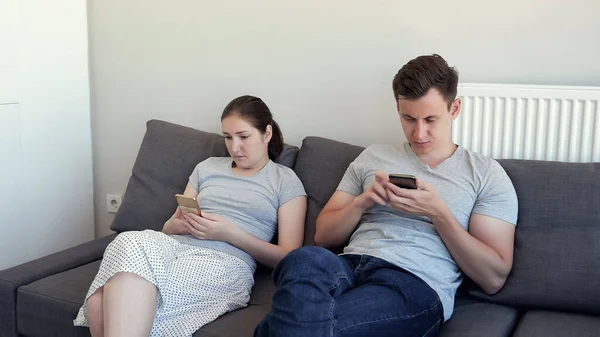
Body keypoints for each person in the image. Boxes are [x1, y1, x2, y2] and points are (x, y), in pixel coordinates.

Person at [254, 54, 518, 337]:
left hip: (413, 284)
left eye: (431, 119)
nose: (419, 133)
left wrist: (438, 213)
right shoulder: (372, 157)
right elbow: (323, 237)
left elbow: (494, 277)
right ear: (397, 108)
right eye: (408, 118)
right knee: (304, 259)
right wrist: (363, 202)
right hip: (349, 266)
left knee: (285, 327)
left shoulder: (485, 174)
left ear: (454, 109)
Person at [74, 95, 307, 337]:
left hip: (224, 263)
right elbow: (171, 225)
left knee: (100, 302)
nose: (234, 147)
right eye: (228, 137)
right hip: (171, 249)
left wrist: (231, 234)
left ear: (266, 134)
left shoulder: (284, 181)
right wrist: (172, 227)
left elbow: (289, 258)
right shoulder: (207, 167)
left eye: (243, 136)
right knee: (128, 239)